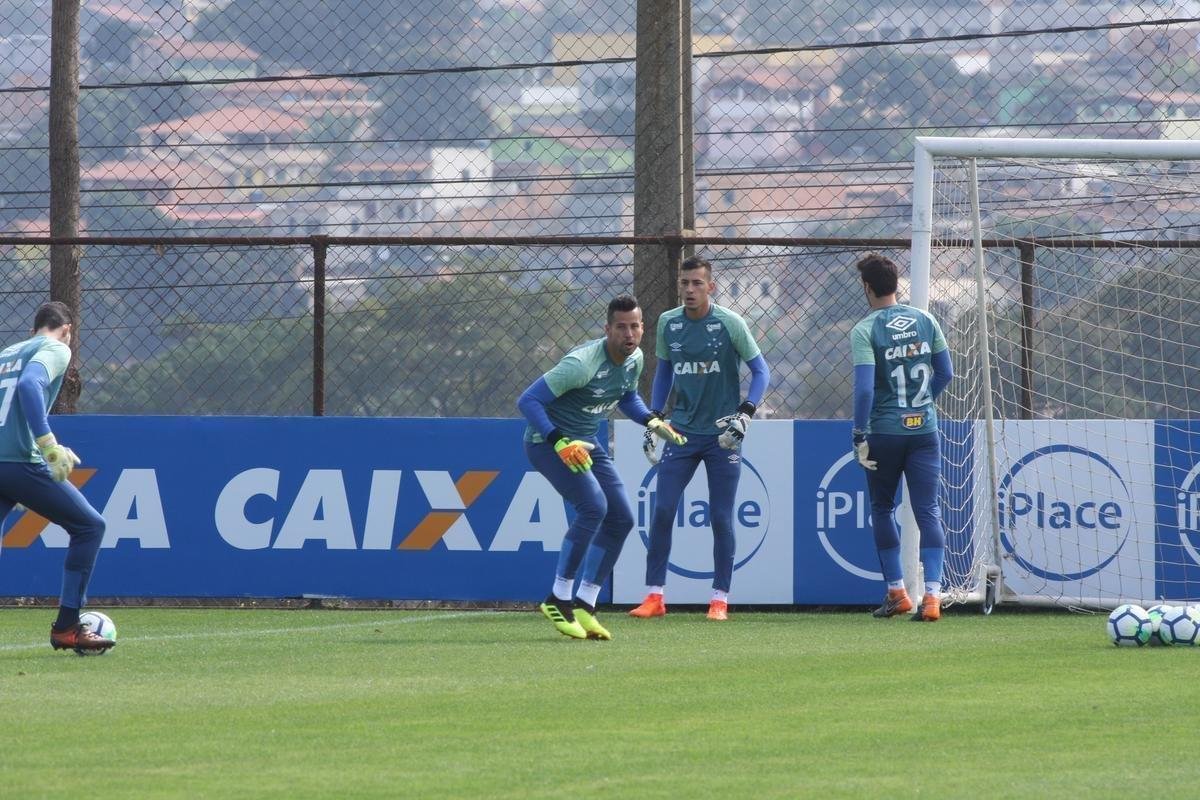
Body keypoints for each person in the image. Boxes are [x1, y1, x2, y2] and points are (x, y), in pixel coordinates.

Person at [517, 294, 686, 640]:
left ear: (642, 329)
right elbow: (528, 400)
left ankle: (585, 604)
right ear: (607, 329)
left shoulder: (635, 358)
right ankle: (558, 598)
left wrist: (651, 421)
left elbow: (626, 396)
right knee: (593, 507)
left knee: (622, 517)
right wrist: (558, 440)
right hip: (548, 444)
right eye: (621, 327)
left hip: (588, 444)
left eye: (635, 326)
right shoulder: (581, 364)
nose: (629, 333)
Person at [629, 256, 770, 621]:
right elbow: (664, 372)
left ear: (711, 286)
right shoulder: (668, 323)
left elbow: (761, 371)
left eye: (696, 283)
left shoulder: (729, 323)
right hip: (682, 433)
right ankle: (655, 596)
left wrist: (747, 411)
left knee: (721, 517)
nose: (689, 290)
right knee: (661, 510)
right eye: (684, 283)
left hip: (723, 435)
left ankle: (719, 598)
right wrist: (655, 416)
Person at [0, 301, 112, 652]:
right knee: (89, 527)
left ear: (33, 329)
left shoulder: (8, 352)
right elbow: (32, 385)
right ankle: (66, 628)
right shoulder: (55, 348)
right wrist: (49, 446)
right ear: (67, 330)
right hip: (20, 461)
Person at [849, 254, 954, 622]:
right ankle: (933, 596)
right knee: (928, 511)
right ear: (897, 284)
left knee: (881, 507)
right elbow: (946, 373)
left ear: (867, 287)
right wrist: (922, 404)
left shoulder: (865, 330)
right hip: (924, 431)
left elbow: (863, 391)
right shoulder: (925, 320)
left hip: (885, 432)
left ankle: (896, 591)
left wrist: (859, 433)